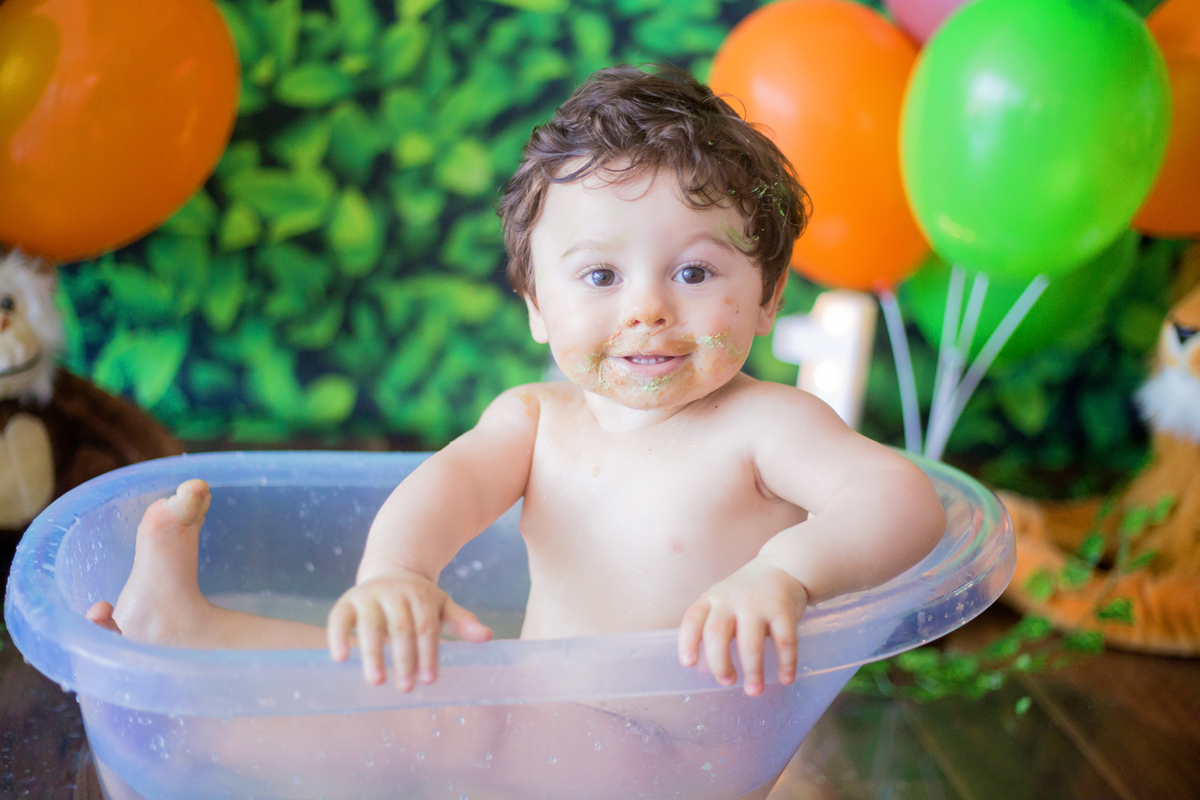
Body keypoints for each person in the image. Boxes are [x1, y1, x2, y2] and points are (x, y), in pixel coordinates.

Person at [87, 65, 945, 705]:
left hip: (678, 758)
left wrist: (783, 576)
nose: (647, 308)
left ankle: (196, 646)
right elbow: (446, 487)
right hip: (538, 719)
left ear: (768, 298)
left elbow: (902, 498)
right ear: (536, 307)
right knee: (389, 681)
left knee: (401, 724)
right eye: (601, 278)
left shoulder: (764, 426)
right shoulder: (537, 420)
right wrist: (396, 571)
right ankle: (190, 635)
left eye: (692, 272)